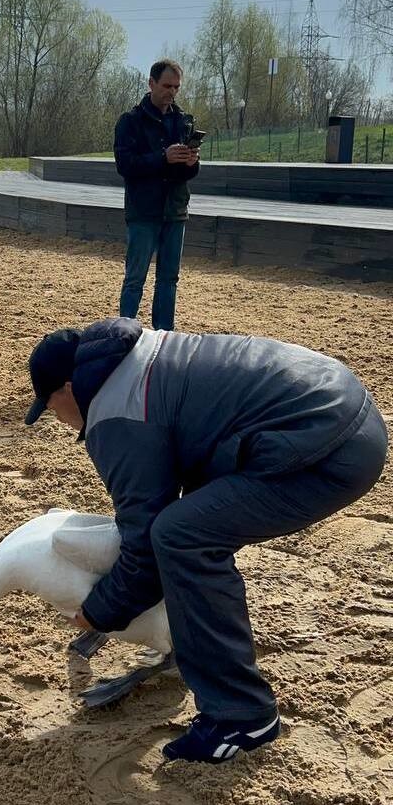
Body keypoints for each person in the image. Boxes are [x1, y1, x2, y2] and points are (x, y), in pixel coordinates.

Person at [23, 317, 387, 763]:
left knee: (180, 537)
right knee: (190, 524)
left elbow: (145, 539)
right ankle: (197, 647)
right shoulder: (142, 355)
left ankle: (243, 717)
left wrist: (100, 612)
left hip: (330, 450)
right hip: (344, 408)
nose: (58, 420)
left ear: (66, 388)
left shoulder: (116, 412)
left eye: (50, 407)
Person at [114, 58, 200, 330]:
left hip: (175, 210)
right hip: (143, 211)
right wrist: (163, 157)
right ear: (151, 83)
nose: (171, 92)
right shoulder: (130, 121)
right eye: (166, 86)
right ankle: (124, 332)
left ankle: (164, 336)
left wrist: (190, 163)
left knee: (169, 279)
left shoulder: (184, 121)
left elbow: (187, 173)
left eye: (176, 87)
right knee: (135, 277)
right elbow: (125, 166)